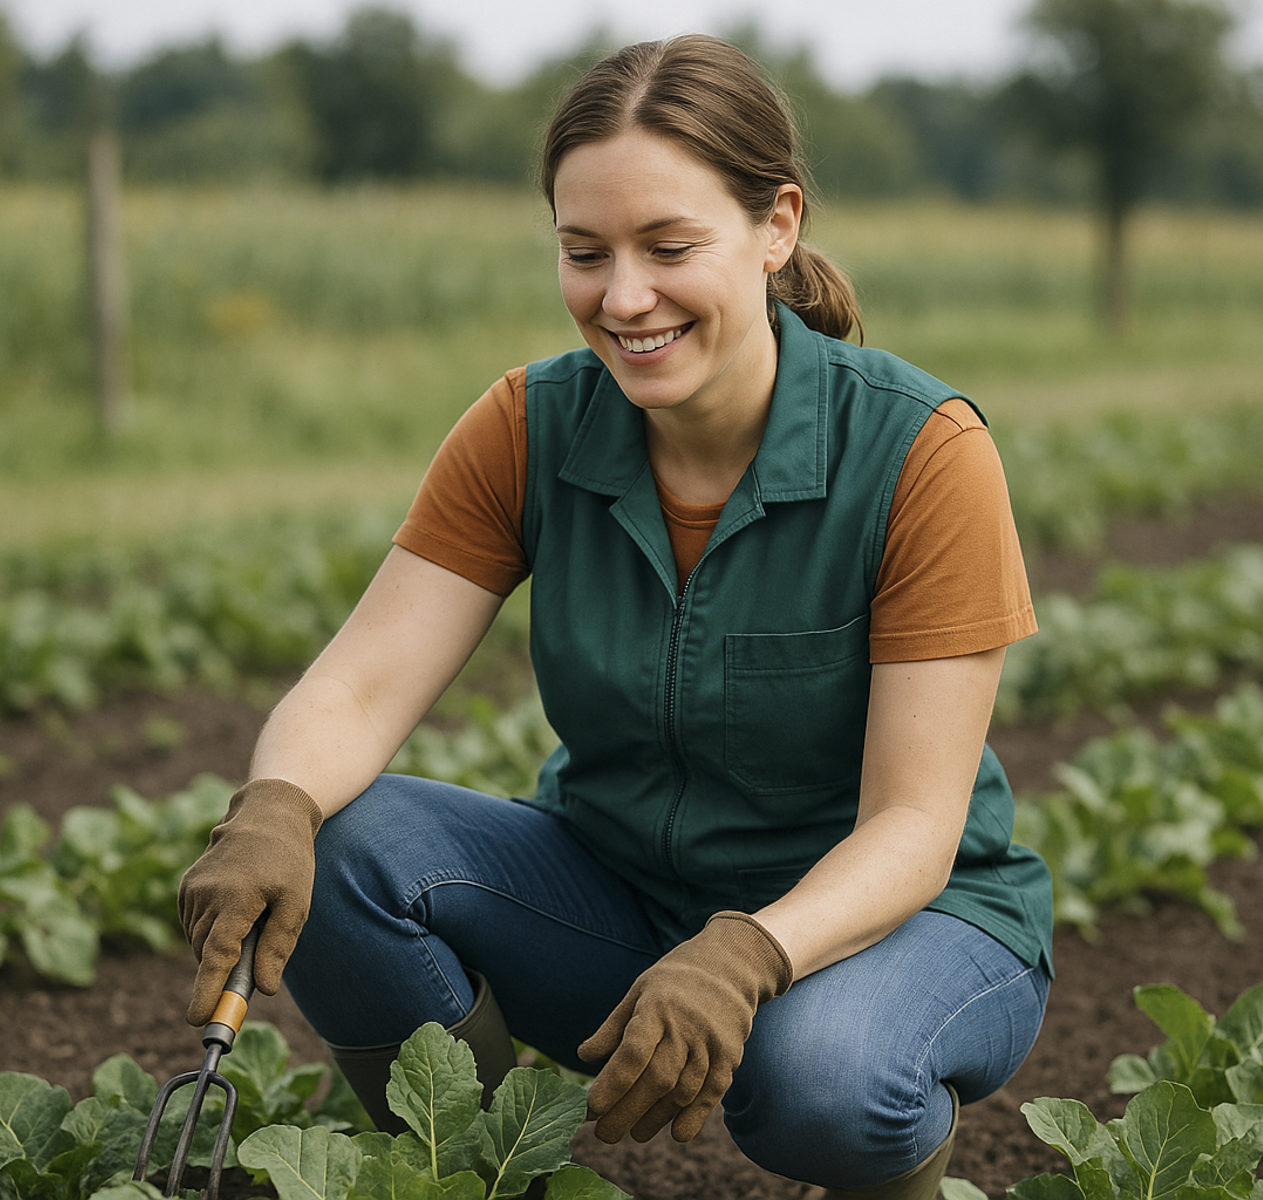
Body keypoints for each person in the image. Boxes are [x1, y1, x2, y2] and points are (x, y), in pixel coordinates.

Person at [177, 33, 1053, 1200]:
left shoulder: (918, 454)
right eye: (584, 252)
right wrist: (275, 806)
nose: (623, 297)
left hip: (902, 925)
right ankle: (482, 1175)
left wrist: (749, 952)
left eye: (668, 247)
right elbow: (359, 684)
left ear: (777, 225)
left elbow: (913, 825)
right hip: (626, 898)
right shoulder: (531, 426)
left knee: (821, 1080)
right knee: (342, 844)